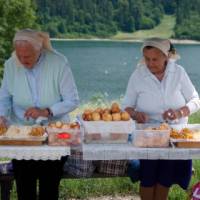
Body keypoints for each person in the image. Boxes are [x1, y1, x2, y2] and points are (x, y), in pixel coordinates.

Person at [0, 29, 79, 200]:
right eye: (19, 55)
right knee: (24, 187)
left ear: (39, 50)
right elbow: (4, 98)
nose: (22, 60)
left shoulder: (59, 63)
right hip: (21, 136)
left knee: (49, 188)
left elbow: (72, 100)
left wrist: (47, 111)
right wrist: (1, 115)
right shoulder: (11, 64)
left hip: (54, 135)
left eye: (27, 56)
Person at [122, 37, 200, 200]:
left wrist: (180, 112)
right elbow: (126, 107)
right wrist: (136, 114)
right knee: (148, 175)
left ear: (167, 56)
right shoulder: (138, 75)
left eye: (155, 59)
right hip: (148, 136)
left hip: (175, 136)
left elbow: (195, 100)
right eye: (147, 59)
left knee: (166, 175)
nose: (150, 64)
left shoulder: (178, 73)